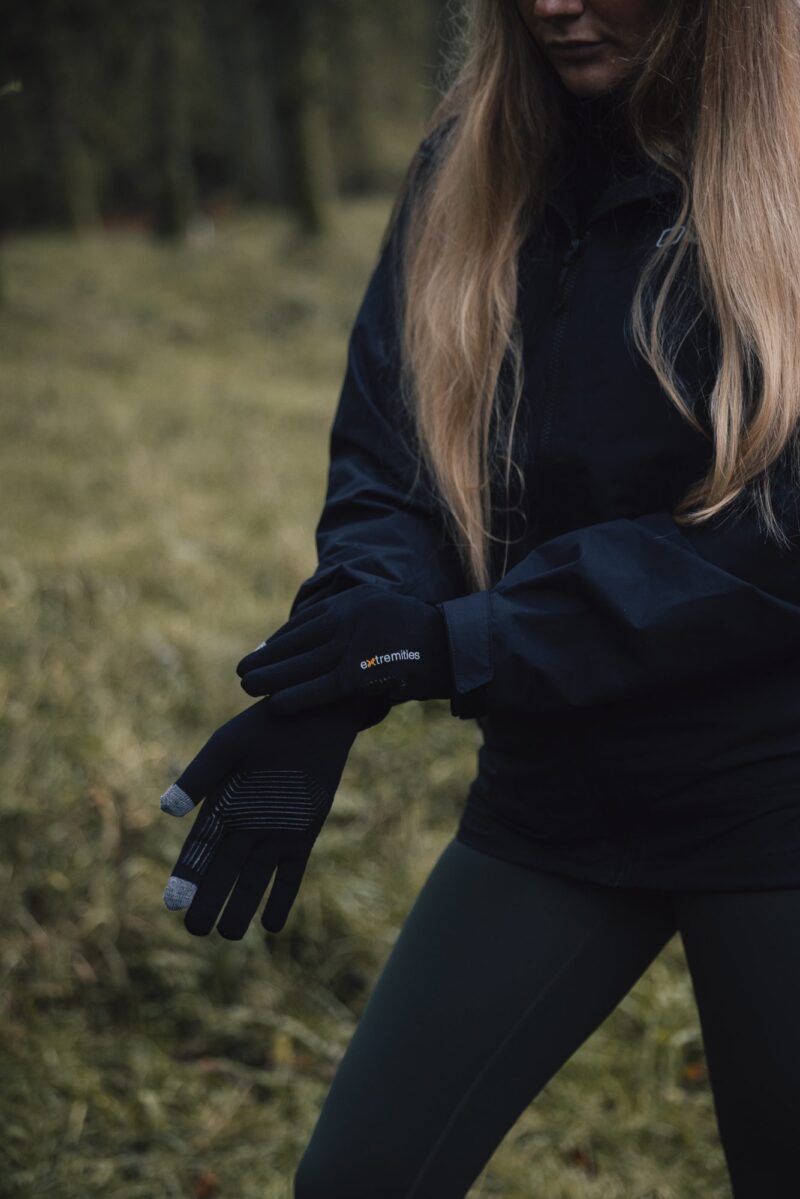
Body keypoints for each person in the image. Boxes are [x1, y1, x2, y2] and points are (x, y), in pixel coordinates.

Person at [159, 1, 800, 1194]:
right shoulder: (470, 162)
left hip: (773, 792)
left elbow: (776, 533)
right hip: (555, 791)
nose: (551, 1)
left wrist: (453, 645)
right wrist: (343, 658)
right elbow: (393, 456)